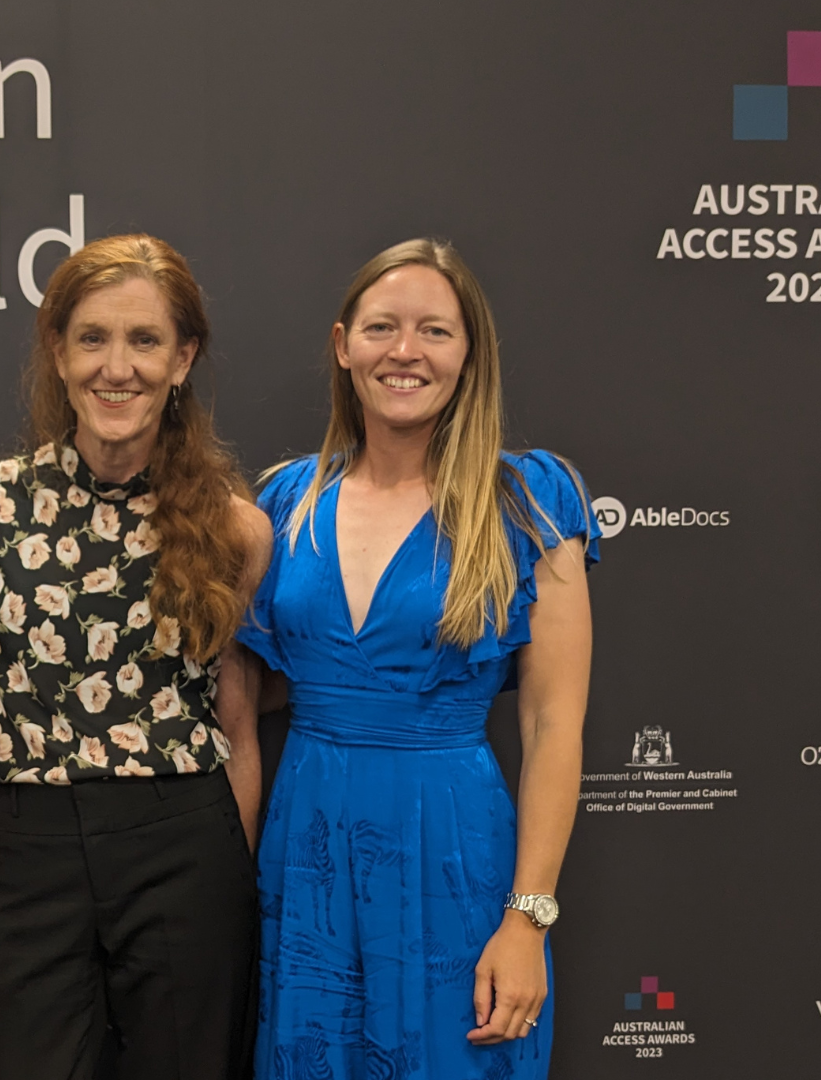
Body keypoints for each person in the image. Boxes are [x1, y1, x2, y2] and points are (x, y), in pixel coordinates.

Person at [231, 238, 596, 1079]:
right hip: (307, 845)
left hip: (454, 851)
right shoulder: (286, 500)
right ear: (342, 344)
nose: (406, 351)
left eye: (435, 331)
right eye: (382, 327)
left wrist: (528, 919)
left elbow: (552, 725)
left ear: (469, 355)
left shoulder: (530, 503)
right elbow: (246, 697)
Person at [0, 234, 275, 1080]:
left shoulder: (236, 527)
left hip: (183, 843)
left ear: (183, 357)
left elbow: (234, 718)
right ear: (58, 353)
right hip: (24, 845)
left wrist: (224, 873)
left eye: (144, 340)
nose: (116, 367)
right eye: (92, 338)